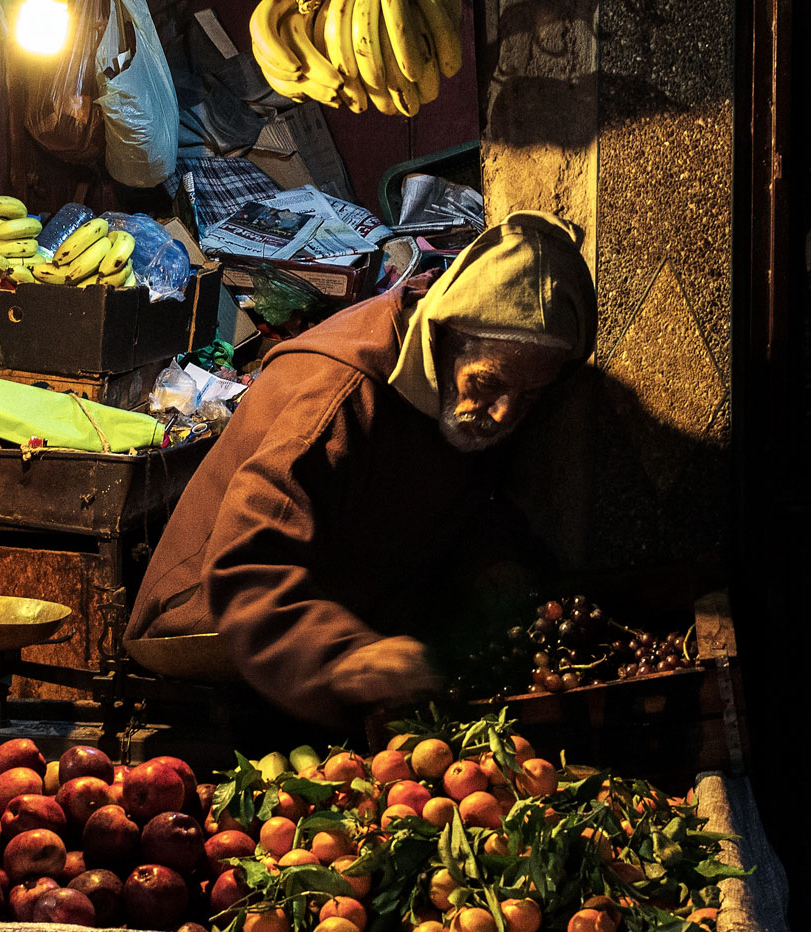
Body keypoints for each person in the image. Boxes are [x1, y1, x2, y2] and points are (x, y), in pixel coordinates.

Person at [125, 212, 596, 733]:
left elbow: (460, 502)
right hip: (213, 616)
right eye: (489, 384)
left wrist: (493, 563)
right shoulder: (337, 398)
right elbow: (247, 566)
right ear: (444, 340)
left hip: (339, 593)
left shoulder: (463, 387)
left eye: (527, 396)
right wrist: (342, 656)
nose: (504, 413)